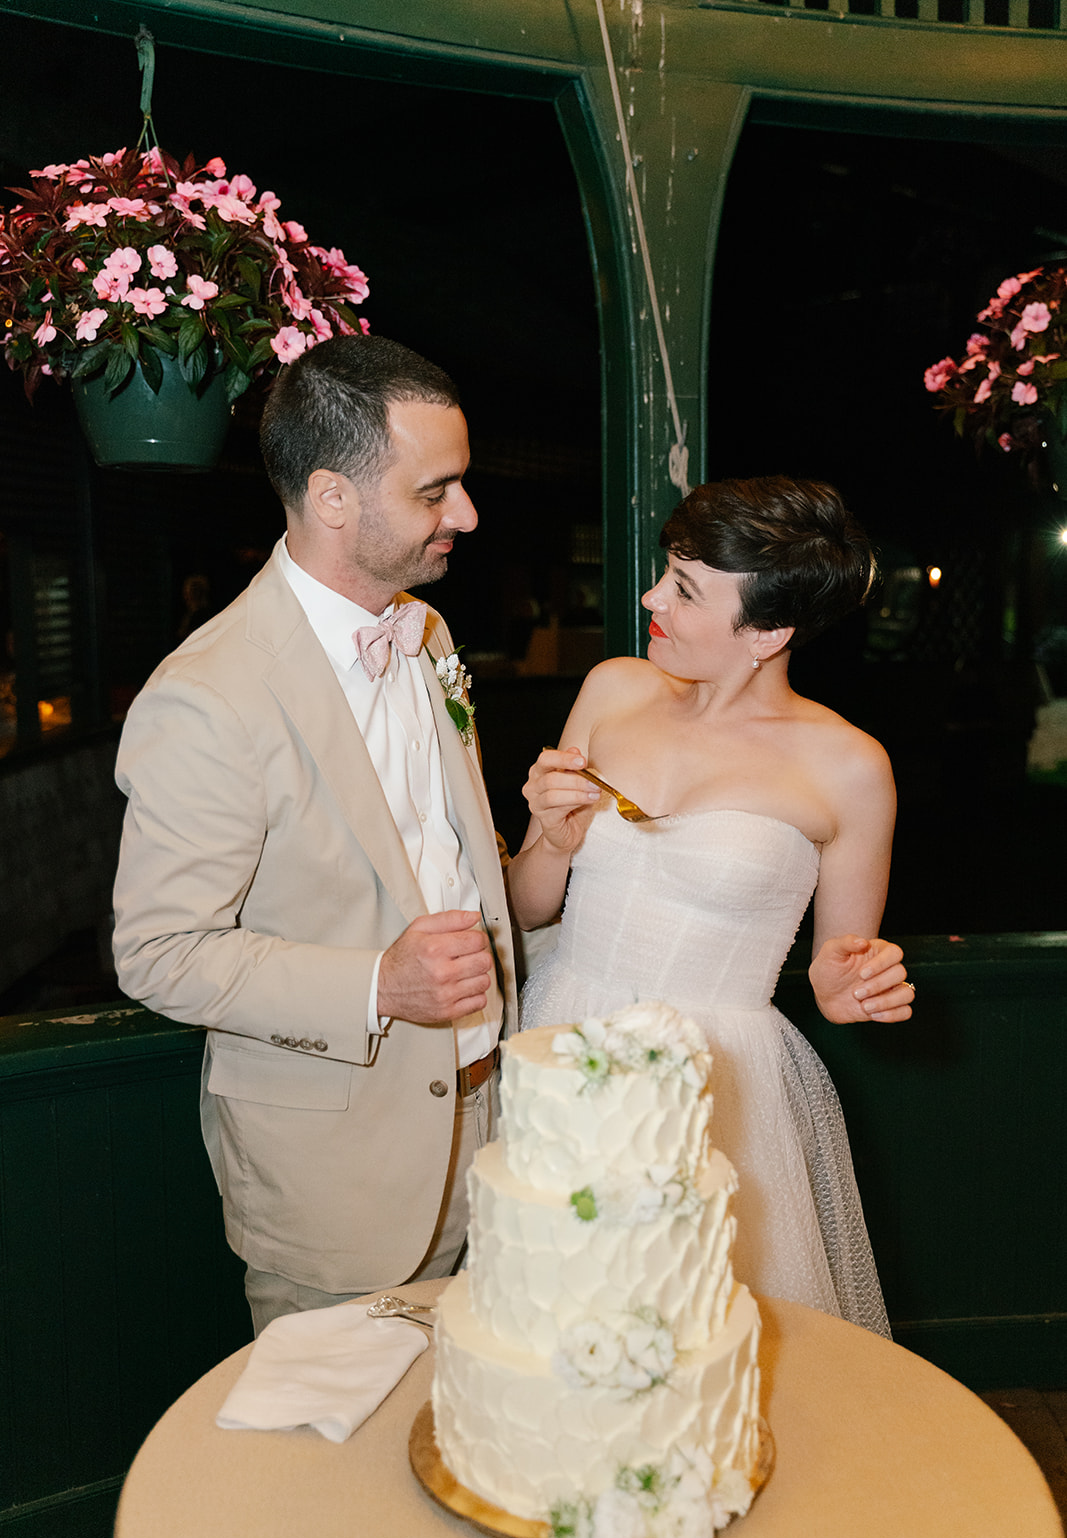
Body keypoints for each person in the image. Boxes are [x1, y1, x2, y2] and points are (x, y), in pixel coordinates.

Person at [112, 334, 516, 1335]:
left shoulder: (427, 636)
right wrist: (381, 985)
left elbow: (451, 867)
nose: (463, 514)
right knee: (337, 1478)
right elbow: (158, 954)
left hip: (500, 1137)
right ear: (334, 497)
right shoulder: (207, 697)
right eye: (436, 491)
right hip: (342, 1184)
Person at [510, 476, 912, 1337]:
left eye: (686, 588)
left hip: (713, 1080)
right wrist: (549, 838)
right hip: (560, 1035)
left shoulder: (848, 766)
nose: (651, 595)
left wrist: (856, 986)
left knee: (691, 1338)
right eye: (666, 571)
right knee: (550, 1322)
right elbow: (528, 906)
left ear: (768, 630)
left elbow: (839, 971)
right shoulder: (614, 688)